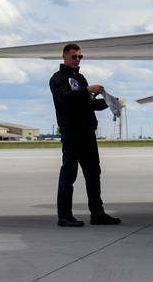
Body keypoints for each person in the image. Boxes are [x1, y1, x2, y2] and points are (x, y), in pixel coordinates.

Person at [49, 43, 121, 227]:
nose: (77, 60)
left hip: (87, 131)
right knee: (69, 174)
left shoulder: (80, 78)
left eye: (80, 57)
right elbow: (65, 98)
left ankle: (97, 214)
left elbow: (88, 104)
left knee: (93, 173)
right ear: (64, 57)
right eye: (74, 57)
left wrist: (110, 102)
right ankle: (64, 216)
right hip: (72, 132)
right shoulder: (57, 79)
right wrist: (87, 91)